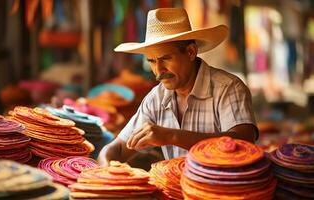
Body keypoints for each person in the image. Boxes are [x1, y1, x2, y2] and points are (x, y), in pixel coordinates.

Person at [98, 8, 258, 166]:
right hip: (175, 189)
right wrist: (105, 170)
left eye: (165, 58)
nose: (158, 70)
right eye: (152, 61)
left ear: (190, 52)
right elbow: (117, 149)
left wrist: (172, 136)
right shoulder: (156, 99)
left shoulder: (227, 88)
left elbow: (244, 141)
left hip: (223, 190)